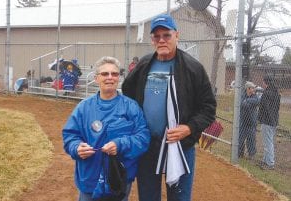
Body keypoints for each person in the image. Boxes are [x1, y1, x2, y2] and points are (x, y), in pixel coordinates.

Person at [122, 14, 216, 201]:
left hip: (179, 145)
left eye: (167, 35)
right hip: (147, 143)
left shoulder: (193, 68)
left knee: (179, 196)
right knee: (148, 196)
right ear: (152, 40)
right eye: (157, 37)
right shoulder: (144, 65)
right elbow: (127, 95)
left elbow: (208, 107)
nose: (162, 40)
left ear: (177, 36)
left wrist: (188, 128)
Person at [62, 56, 150, 201]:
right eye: (105, 74)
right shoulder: (84, 108)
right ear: (96, 78)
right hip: (89, 177)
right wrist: (76, 147)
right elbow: (70, 135)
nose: (110, 77)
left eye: (114, 74)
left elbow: (143, 137)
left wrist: (120, 144)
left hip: (118, 179)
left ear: (119, 78)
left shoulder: (131, 107)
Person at [258, 75, 280, 170]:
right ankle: (265, 160)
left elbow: (263, 107)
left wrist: (260, 118)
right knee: (268, 141)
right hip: (274, 120)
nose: (262, 84)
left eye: (263, 82)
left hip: (267, 121)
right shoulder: (276, 93)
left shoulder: (266, 93)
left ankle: (270, 163)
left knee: (268, 142)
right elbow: (277, 108)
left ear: (265, 82)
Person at [238, 81, 260, 159]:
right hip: (243, 121)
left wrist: (247, 101)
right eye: (253, 88)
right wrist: (246, 102)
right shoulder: (242, 95)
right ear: (248, 89)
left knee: (251, 139)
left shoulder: (255, 96)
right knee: (240, 138)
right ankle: (240, 153)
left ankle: (251, 154)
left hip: (252, 122)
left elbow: (257, 101)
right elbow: (241, 103)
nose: (254, 89)